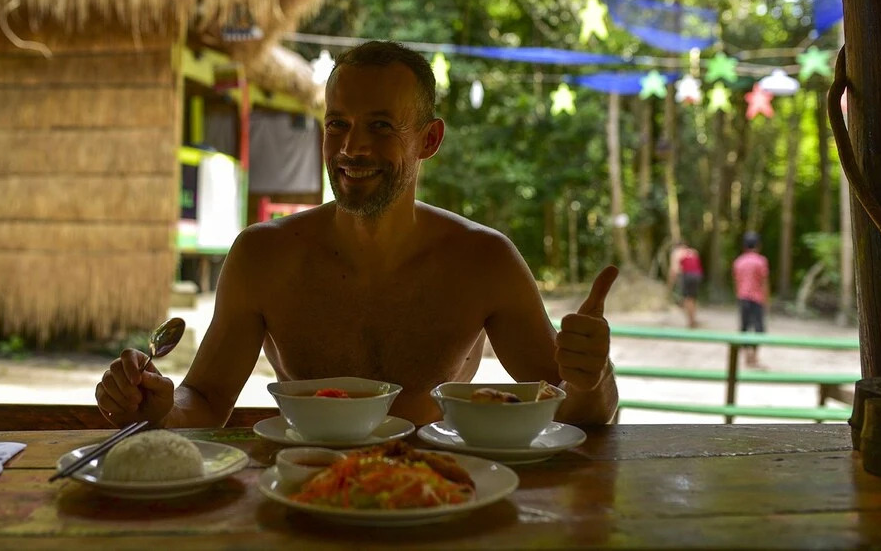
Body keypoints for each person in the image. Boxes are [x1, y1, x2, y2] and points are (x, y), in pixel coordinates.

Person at [96, 41, 620, 428]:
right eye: (337, 124)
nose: (352, 148)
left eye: (381, 126)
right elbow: (206, 402)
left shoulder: (482, 261)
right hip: (303, 490)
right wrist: (159, 406)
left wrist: (593, 376)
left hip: (435, 493)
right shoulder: (263, 256)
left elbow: (576, 410)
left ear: (429, 140)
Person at [732, 231, 770, 367]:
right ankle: (754, 356)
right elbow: (764, 282)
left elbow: (736, 281)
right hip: (757, 298)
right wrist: (766, 299)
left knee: (744, 327)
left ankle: (747, 357)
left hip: (742, 297)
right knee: (758, 328)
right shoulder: (761, 261)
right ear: (758, 245)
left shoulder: (738, 261)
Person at [667, 241, 704, 328]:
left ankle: (690, 321)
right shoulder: (693, 251)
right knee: (693, 298)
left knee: (687, 299)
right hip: (698, 275)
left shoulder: (677, 252)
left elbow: (674, 269)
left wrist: (670, 284)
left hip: (687, 276)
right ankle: (693, 319)